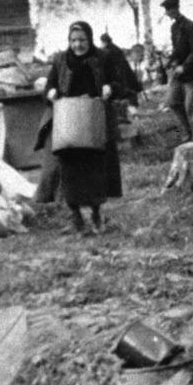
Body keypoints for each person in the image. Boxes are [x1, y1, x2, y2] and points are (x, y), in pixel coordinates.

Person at [43, 20, 122, 235]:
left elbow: (117, 82)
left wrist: (108, 88)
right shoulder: (60, 60)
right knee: (70, 171)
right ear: (69, 41)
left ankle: (96, 214)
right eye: (74, 40)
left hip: (94, 120)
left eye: (82, 40)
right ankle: (76, 216)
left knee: (95, 171)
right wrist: (50, 92)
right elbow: (50, 85)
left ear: (90, 39)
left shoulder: (102, 58)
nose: (78, 45)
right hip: (68, 122)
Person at [160, 0, 193, 143]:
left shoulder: (191, 26)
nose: (167, 13)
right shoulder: (174, 27)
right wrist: (170, 60)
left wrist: (184, 67)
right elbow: (177, 49)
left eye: (169, 10)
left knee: (192, 107)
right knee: (172, 101)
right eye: (166, 11)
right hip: (179, 74)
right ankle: (187, 134)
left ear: (175, 9)